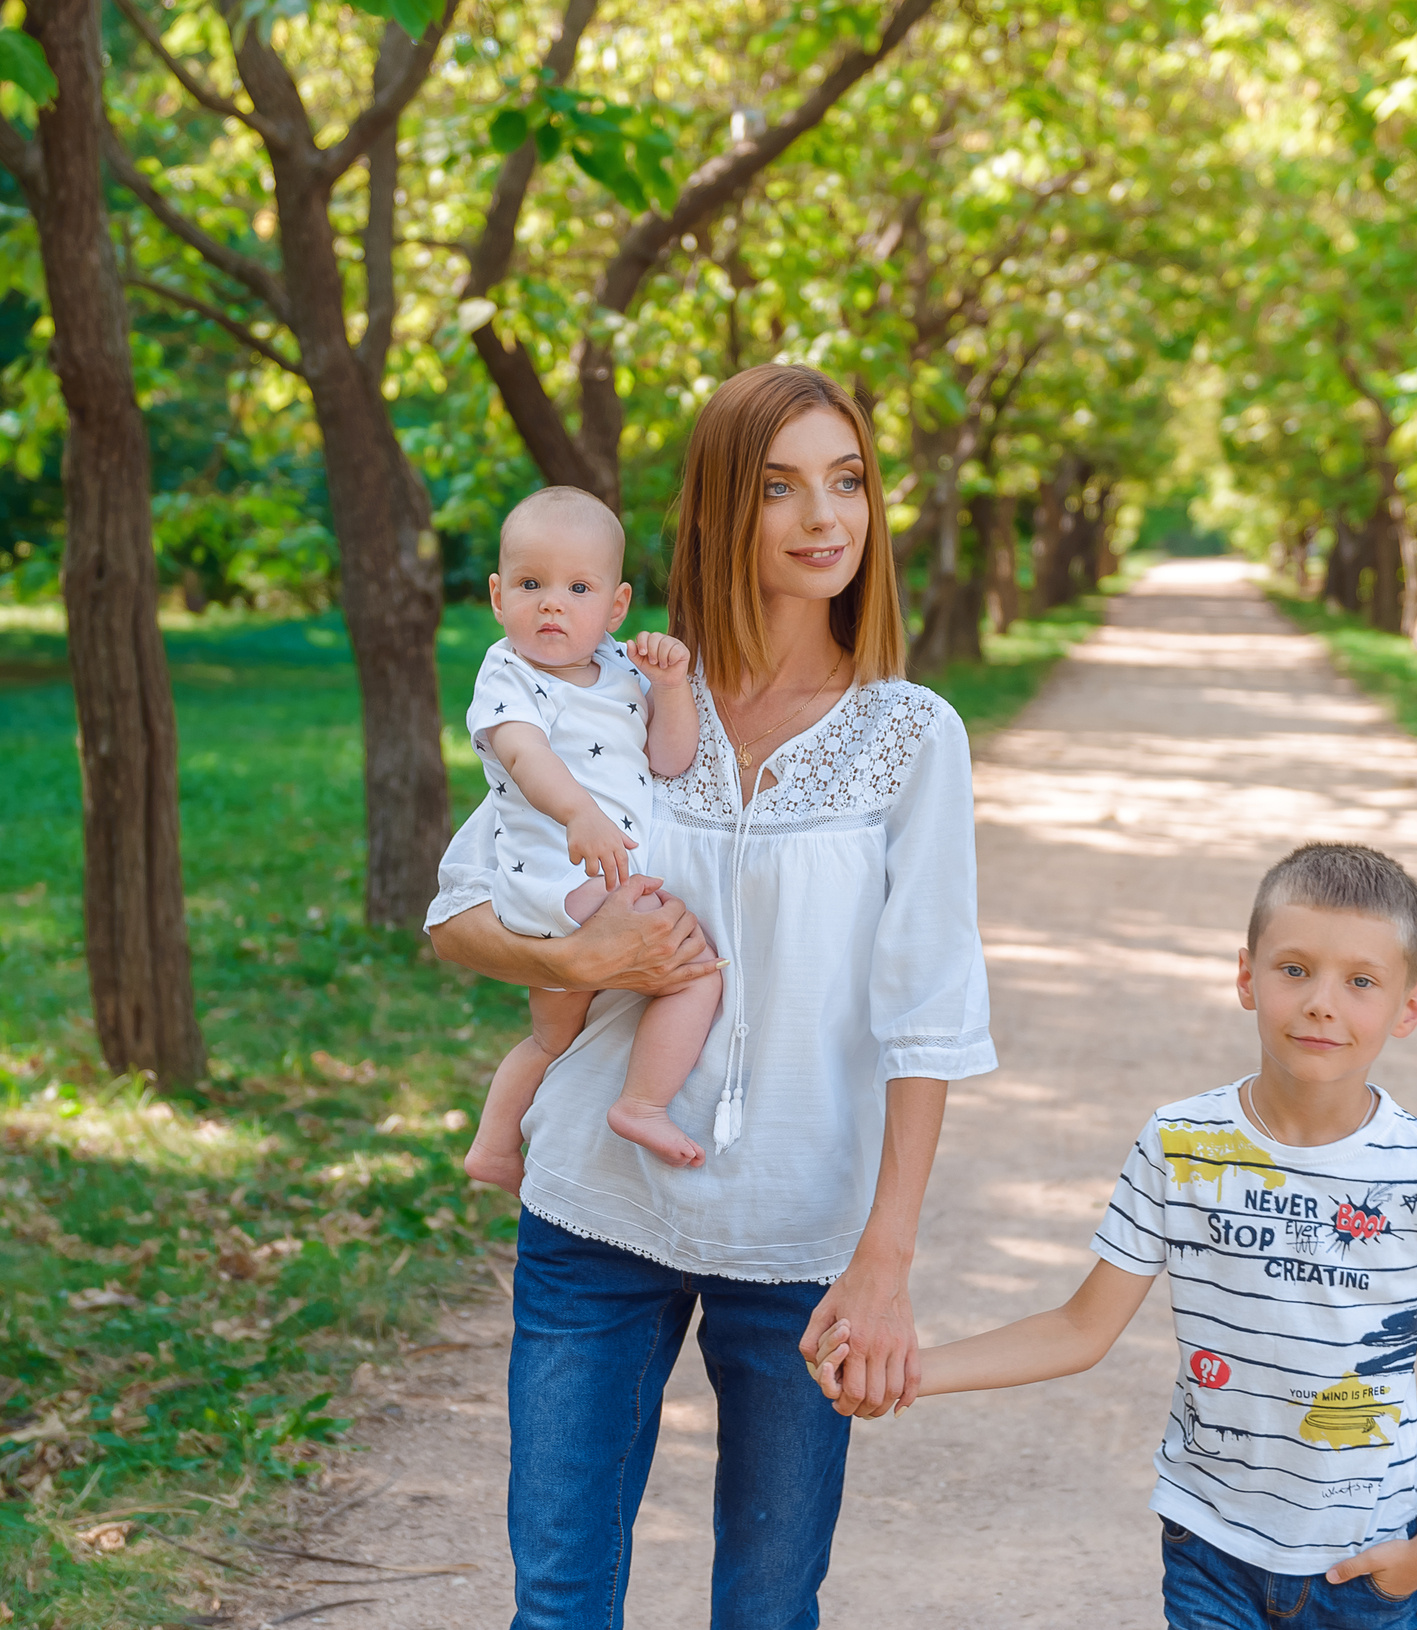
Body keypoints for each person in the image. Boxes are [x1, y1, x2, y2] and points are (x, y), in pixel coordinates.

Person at [425, 364, 995, 1630]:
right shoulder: (611, 698)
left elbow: (929, 1009)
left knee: (766, 1613)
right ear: (720, 510)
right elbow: (458, 912)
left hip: (801, 1240)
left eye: (845, 481)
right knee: (560, 1609)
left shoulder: (909, 735)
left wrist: (886, 1258)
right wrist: (578, 965)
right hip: (595, 1213)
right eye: (779, 485)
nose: (821, 516)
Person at [811, 843, 1417, 1629]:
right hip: (1209, 1548)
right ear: (1247, 978)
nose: (1323, 1002)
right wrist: (910, 1374)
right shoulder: (1180, 1143)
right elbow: (1081, 1328)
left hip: (1367, 1563)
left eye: (1361, 981)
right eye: (1294, 969)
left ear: (1409, 1007)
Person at [459, 486, 720, 1184]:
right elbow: (523, 754)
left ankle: (490, 1146)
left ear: (616, 605)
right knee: (693, 968)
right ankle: (642, 1104)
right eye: (530, 583)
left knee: (552, 1035)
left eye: (577, 587)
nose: (551, 602)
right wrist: (578, 813)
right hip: (558, 879)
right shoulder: (507, 673)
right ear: (496, 594)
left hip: (585, 881)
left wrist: (670, 688)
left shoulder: (624, 669)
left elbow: (669, 759)